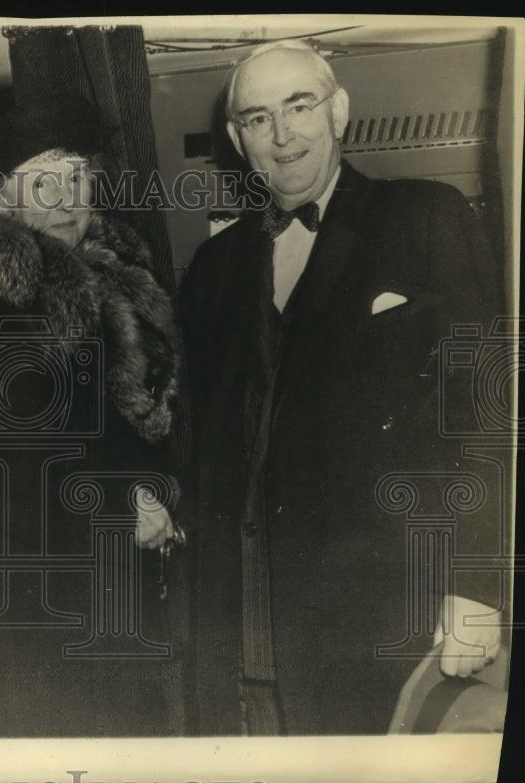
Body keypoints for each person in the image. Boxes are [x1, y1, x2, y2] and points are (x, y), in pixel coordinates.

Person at [178, 39, 506, 735]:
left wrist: (479, 581)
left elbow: (487, 412)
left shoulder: (425, 216)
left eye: (300, 105)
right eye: (258, 117)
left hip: (378, 603)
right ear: (238, 139)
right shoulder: (212, 266)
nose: (283, 132)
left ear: (340, 112)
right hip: (241, 612)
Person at [0, 100, 186, 737]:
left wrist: (147, 494)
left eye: (77, 176)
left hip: (114, 567)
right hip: (36, 585)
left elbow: (133, 421)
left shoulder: (116, 272)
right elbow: (0, 459)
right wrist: (119, 508)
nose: (67, 197)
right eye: (43, 179)